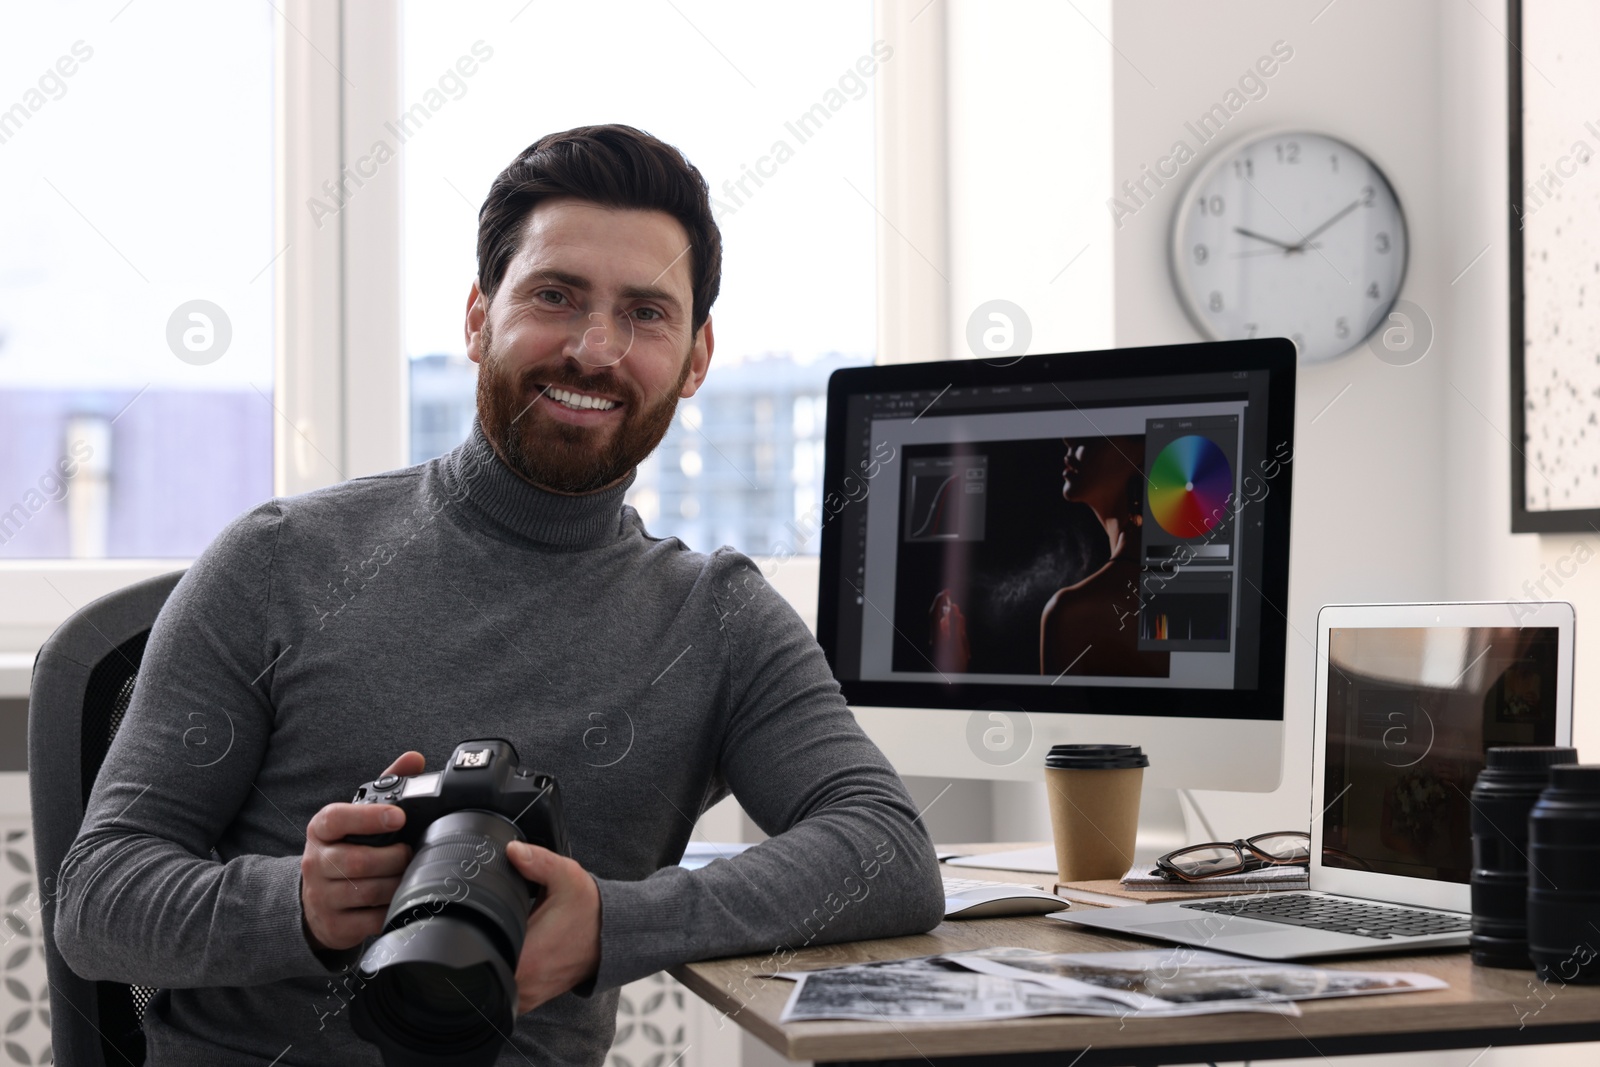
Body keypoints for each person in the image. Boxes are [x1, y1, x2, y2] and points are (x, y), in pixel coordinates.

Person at [54, 124, 945, 1066]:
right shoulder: (280, 560)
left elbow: (887, 850)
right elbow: (97, 898)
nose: (596, 349)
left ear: (695, 357)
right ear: (479, 317)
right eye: (555, 296)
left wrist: (611, 920)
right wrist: (302, 905)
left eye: (646, 313)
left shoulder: (713, 618)